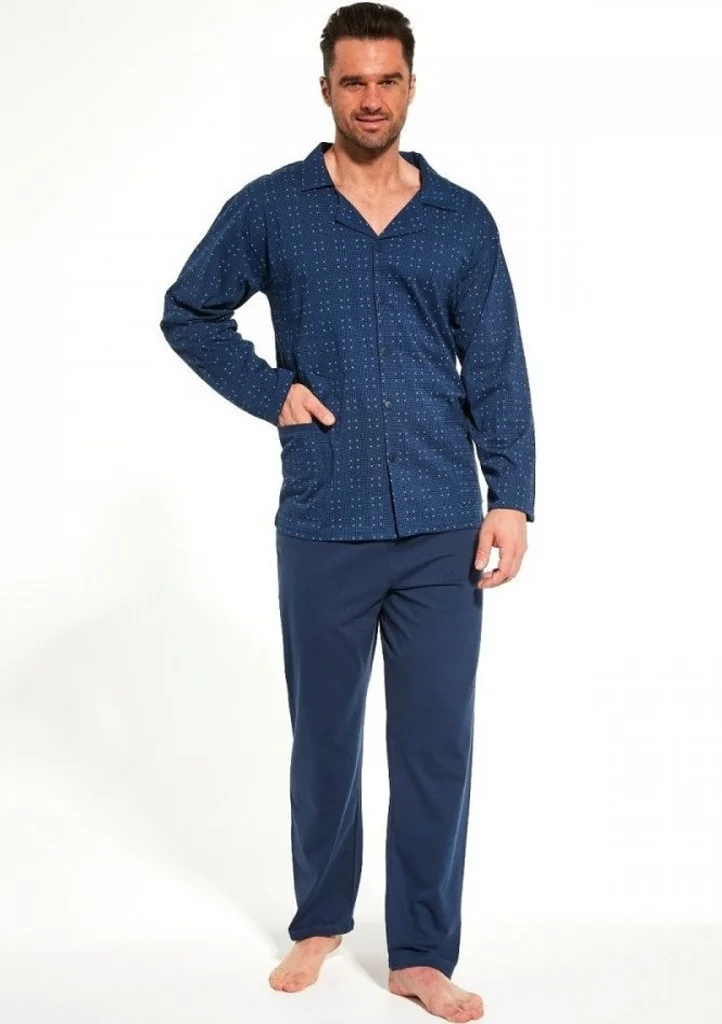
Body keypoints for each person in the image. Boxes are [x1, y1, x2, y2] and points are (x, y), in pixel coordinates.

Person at [159, 4, 535, 1020]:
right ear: (325, 87)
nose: (371, 98)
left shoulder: (460, 220)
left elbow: (496, 365)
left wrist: (510, 498)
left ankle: (419, 954)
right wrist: (270, 391)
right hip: (325, 518)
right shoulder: (272, 209)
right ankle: (321, 919)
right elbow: (190, 311)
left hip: (441, 523)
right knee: (324, 737)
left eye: (387, 79)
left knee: (434, 747)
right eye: (353, 80)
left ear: (411, 86)